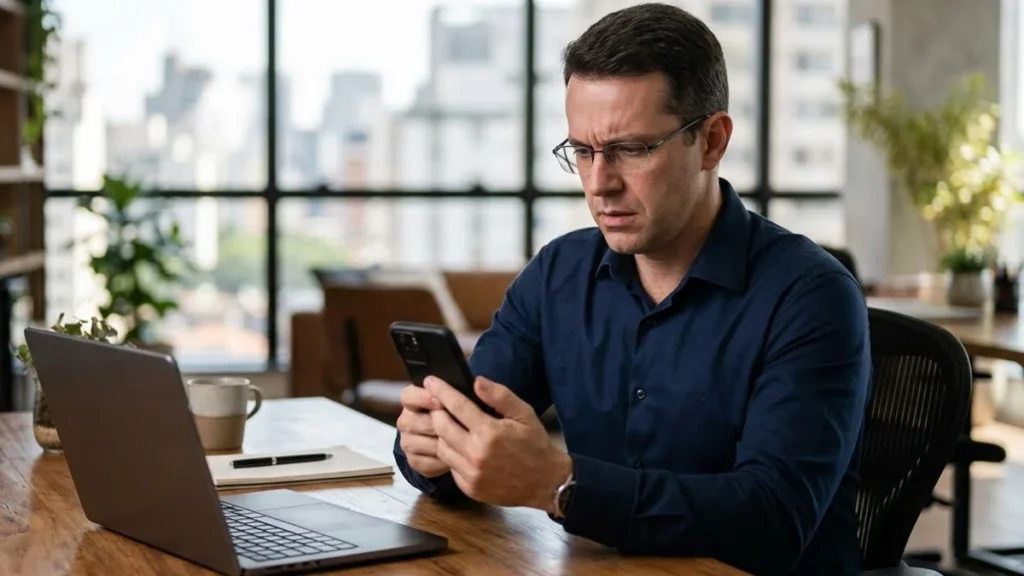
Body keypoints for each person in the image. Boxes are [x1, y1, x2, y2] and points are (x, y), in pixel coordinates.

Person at [392, 3, 870, 575]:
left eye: (632, 149)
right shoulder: (558, 274)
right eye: (583, 151)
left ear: (712, 141)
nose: (600, 184)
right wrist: (433, 451)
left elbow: (772, 519)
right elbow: (471, 434)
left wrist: (560, 484)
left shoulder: (812, 296)